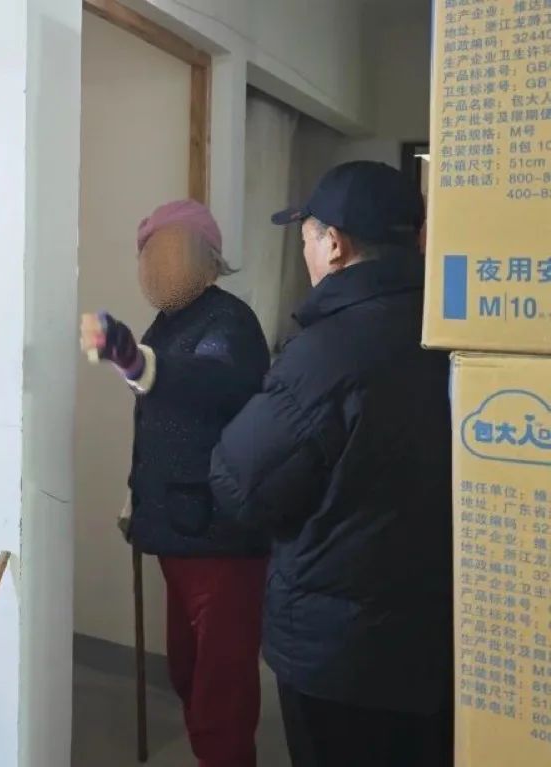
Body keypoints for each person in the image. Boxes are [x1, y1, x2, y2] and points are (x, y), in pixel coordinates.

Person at [208, 161, 452, 767]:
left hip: (340, 651)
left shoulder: (325, 353)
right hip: (439, 640)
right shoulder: (452, 328)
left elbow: (240, 486)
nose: (307, 256)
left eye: (308, 240)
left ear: (334, 244)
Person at [80, 200, 271, 767]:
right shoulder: (167, 323)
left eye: (169, 253)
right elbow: (159, 421)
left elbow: (212, 382)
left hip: (221, 532)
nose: (156, 267)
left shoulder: (228, 321)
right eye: (149, 254)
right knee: (189, 667)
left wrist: (135, 361)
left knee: (221, 679)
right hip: (174, 525)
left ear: (209, 260)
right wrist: (136, 498)